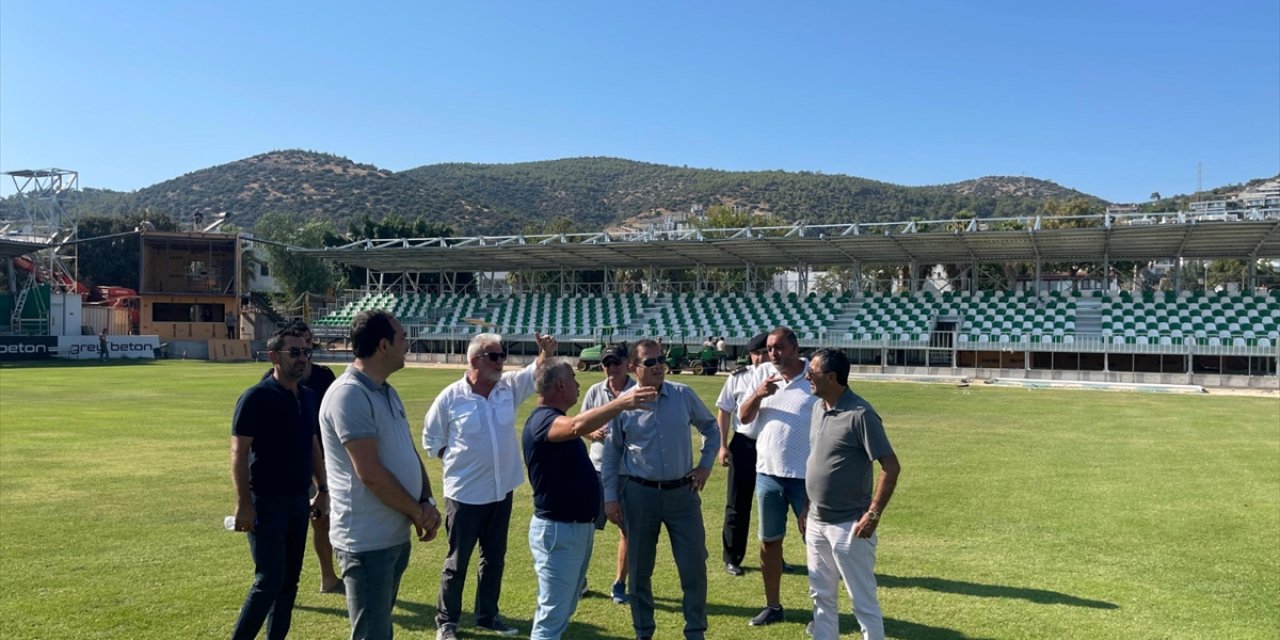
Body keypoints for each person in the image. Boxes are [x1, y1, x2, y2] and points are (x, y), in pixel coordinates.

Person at [423, 332, 559, 640]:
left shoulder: (506, 388)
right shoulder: (451, 397)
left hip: (501, 491)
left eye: (503, 355)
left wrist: (545, 352)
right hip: (465, 494)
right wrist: (458, 460)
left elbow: (534, 372)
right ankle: (446, 622)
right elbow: (431, 440)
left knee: (494, 558)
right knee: (457, 562)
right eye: (495, 356)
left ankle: (487, 615)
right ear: (475, 361)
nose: (502, 361)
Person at [320, 309, 442, 640]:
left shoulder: (386, 390)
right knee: (372, 634)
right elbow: (370, 473)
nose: (408, 343)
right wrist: (417, 512)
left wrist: (425, 501)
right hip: (366, 541)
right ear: (384, 345)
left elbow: (407, 452)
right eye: (403, 338)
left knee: (378, 629)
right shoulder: (349, 394)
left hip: (393, 536)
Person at [523, 358, 658, 640]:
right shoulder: (542, 420)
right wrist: (621, 403)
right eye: (573, 378)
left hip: (573, 529)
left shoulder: (552, 418)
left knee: (561, 610)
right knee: (551, 617)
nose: (578, 384)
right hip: (559, 532)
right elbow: (575, 426)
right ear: (560, 385)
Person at [602, 338, 720, 640]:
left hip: (683, 494)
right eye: (650, 362)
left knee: (694, 566)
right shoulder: (623, 405)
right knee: (640, 572)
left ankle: (695, 632)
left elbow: (710, 427)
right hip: (639, 494)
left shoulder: (683, 394)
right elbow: (612, 454)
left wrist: (706, 464)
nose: (658, 367)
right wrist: (610, 497)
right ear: (633, 367)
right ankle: (644, 632)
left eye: (661, 360)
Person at [229, 325, 329, 640]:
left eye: (307, 352)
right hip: (266, 503)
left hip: (299, 502)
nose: (303, 359)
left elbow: (313, 444)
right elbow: (239, 453)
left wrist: (323, 490)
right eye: (294, 352)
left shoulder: (309, 396)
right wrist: (244, 504)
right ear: (274, 356)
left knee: (290, 582)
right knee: (268, 580)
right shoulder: (256, 397)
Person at [801, 348, 900, 640]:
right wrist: (807, 506)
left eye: (813, 372)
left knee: (862, 602)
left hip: (850, 526)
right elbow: (814, 460)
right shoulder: (818, 407)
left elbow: (891, 467)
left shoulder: (861, 414)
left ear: (831, 377)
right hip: (817, 522)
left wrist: (873, 514)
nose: (807, 375)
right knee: (821, 597)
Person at [737, 327, 817, 626]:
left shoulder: (814, 376)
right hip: (768, 474)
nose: (773, 353)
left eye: (779, 347)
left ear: (795, 348)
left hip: (806, 478)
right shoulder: (763, 377)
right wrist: (758, 395)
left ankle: (822, 611)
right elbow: (743, 417)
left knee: (815, 543)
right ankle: (773, 606)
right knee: (769, 543)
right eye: (770, 348)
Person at [261, 320, 341, 593]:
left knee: (321, 519)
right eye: (298, 345)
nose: (305, 350)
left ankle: (328, 577)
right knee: (283, 526)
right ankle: (276, 581)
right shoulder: (267, 383)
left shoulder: (324, 376)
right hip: (289, 464)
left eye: (308, 344)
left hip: (321, 459)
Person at [582, 344, 634, 605]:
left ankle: (620, 583)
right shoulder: (594, 391)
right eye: (606, 362)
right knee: (584, 529)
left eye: (616, 361)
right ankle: (579, 581)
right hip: (598, 468)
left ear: (628, 363)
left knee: (627, 531)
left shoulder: (639, 391)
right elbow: (581, 424)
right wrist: (593, 433)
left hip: (629, 472)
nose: (611, 367)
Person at [715, 332, 770, 577]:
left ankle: (774, 554)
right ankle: (732, 557)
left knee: (774, 502)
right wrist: (722, 445)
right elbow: (724, 411)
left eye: (765, 352)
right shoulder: (738, 377)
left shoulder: (781, 379)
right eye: (756, 353)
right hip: (745, 443)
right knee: (737, 503)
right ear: (750, 355)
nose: (761, 357)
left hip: (771, 445)